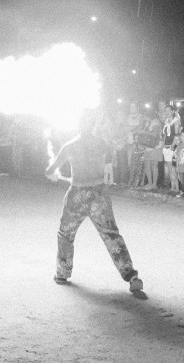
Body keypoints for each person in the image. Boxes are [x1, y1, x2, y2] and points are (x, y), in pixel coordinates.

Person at [46, 111, 143, 293]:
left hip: (77, 194)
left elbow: (51, 170)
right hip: (99, 193)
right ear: (93, 126)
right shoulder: (102, 144)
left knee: (65, 234)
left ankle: (62, 273)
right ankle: (131, 276)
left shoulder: (70, 146)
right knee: (112, 235)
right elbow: (110, 161)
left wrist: (53, 173)